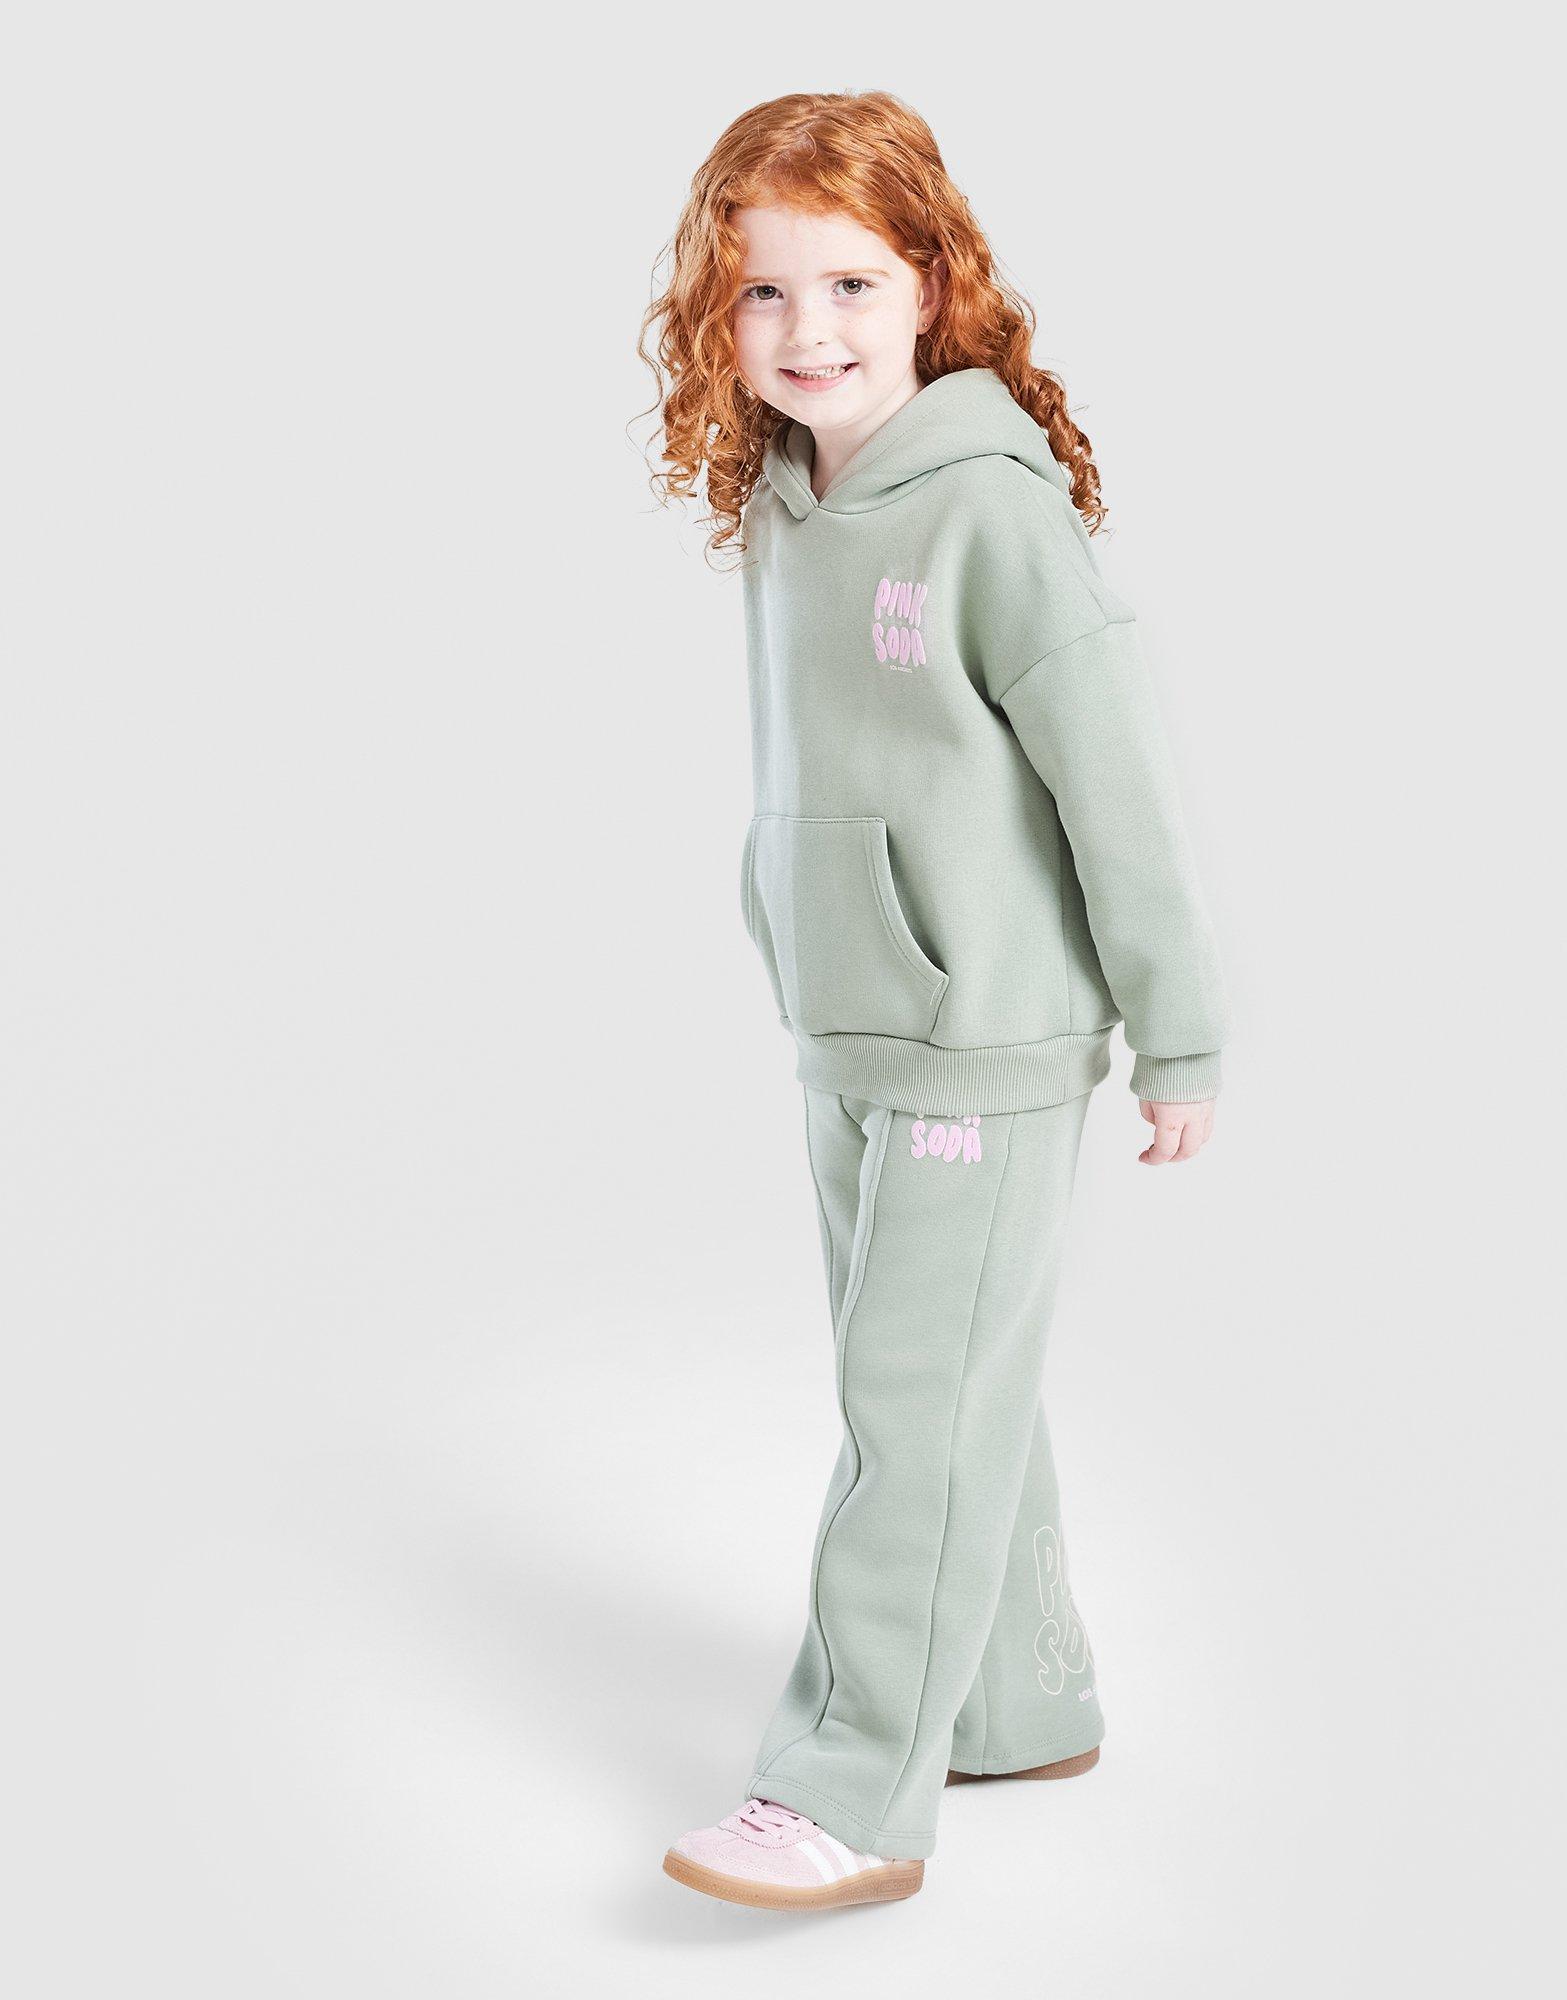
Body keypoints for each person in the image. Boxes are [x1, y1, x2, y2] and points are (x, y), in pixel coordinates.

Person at [637, 89, 1230, 1912]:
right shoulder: (788, 496)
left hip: (987, 1034)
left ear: (933, 286)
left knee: (913, 1406)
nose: (805, 330)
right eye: (761, 292)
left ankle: (849, 1791)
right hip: (847, 1016)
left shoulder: (987, 513)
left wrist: (1179, 1031)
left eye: (850, 285)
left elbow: (1119, 784)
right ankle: (1014, 1700)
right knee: (947, 1387)